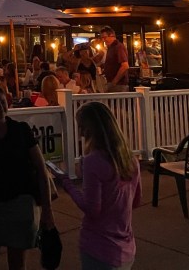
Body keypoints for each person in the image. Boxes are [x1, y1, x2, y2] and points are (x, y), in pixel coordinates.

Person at [0, 86, 54, 270]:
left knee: (17, 262)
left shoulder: (20, 130)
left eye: (2, 102)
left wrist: (47, 209)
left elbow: (40, 169)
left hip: (20, 204)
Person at [49, 102, 142, 270]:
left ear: (88, 129)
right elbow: (135, 201)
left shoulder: (93, 161)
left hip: (99, 246)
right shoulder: (131, 160)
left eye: (81, 127)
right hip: (126, 245)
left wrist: (67, 183)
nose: (80, 133)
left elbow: (92, 209)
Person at [101, 27, 129, 92]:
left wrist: (114, 82)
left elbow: (125, 66)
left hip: (118, 85)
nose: (103, 40)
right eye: (102, 38)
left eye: (104, 37)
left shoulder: (118, 47)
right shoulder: (111, 48)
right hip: (114, 84)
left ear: (112, 35)